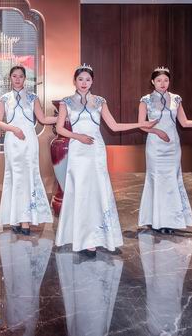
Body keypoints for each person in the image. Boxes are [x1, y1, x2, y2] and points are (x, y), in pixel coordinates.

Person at [54, 64, 156, 256]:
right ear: (74, 81)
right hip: (78, 150)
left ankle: (102, 236)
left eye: (88, 79)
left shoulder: (100, 101)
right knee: (81, 191)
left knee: (99, 190)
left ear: (92, 81)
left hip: (96, 150)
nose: (84, 83)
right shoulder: (66, 102)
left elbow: (114, 126)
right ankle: (84, 239)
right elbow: (60, 128)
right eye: (80, 79)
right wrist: (78, 137)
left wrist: (140, 124)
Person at [137, 67, 192, 234]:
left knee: (172, 181)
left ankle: (170, 220)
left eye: (166, 80)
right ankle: (155, 219)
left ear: (169, 82)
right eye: (159, 80)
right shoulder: (146, 100)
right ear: (152, 82)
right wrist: (157, 132)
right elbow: (141, 125)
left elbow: (184, 123)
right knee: (156, 180)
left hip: (172, 146)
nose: (162, 83)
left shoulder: (176, 99)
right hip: (155, 146)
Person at [0, 66, 56, 235]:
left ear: (25, 78)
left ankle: (26, 219)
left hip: (29, 140)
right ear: (10, 78)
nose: (17, 79)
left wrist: (62, 117)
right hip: (13, 140)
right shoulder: (4, 98)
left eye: (20, 76)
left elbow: (43, 119)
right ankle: (15, 218)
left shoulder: (33, 97)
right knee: (14, 177)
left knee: (29, 176)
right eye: (14, 76)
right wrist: (13, 129)